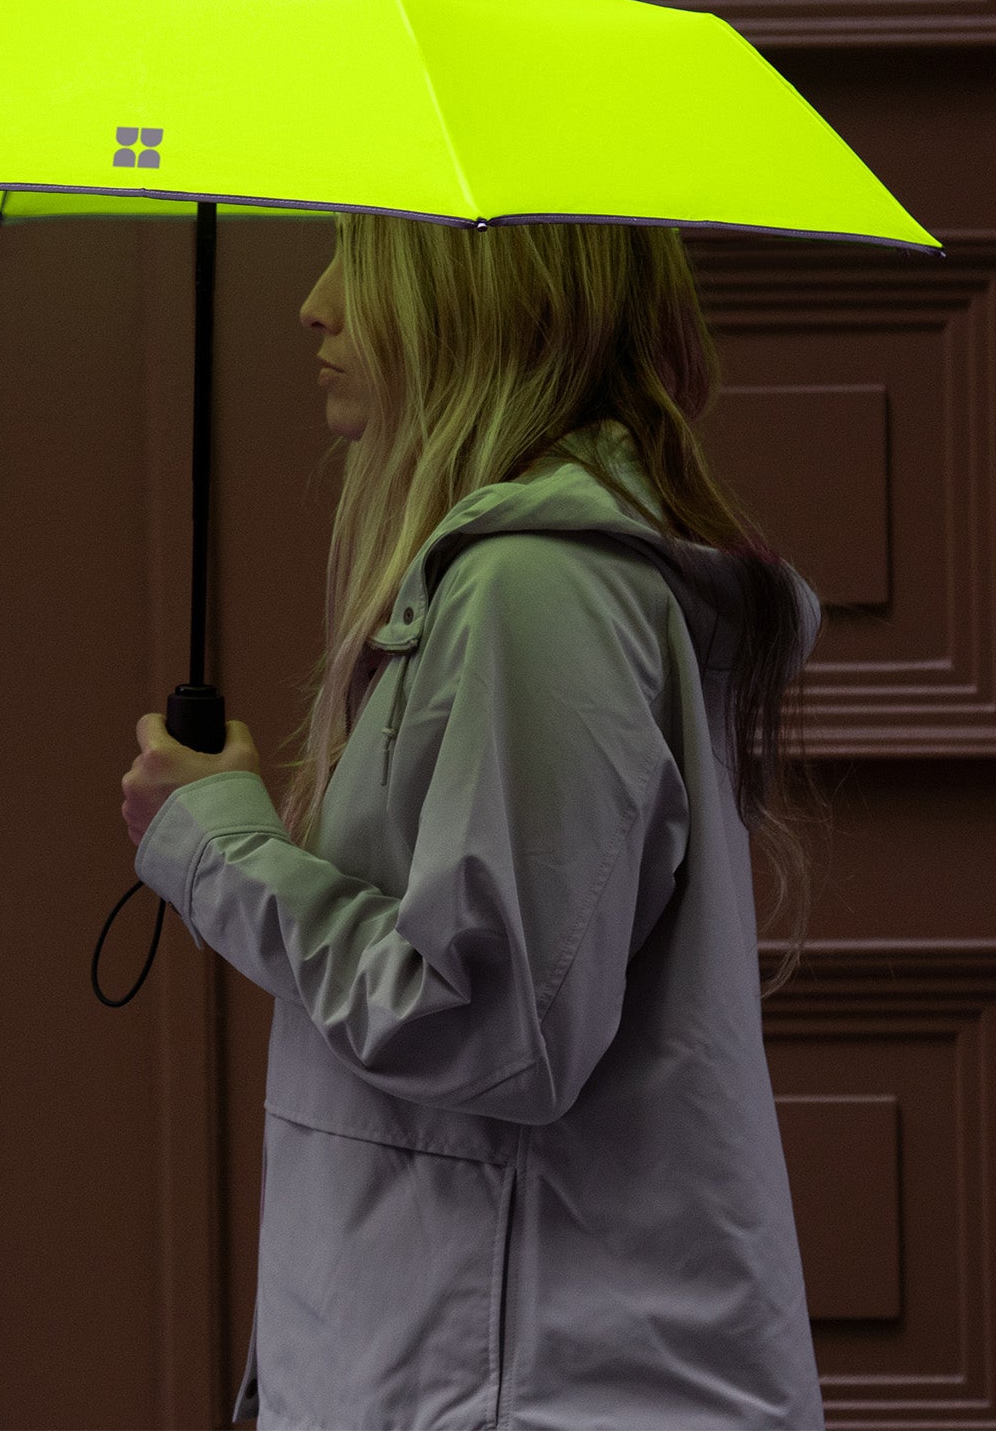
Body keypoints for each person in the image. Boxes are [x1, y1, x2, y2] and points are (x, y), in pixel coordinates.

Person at [123, 212, 831, 1430]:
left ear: (478, 294)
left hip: (525, 1387)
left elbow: (500, 1027)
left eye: (367, 256)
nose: (316, 300)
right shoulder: (519, 576)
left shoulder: (535, 588)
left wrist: (222, 850)